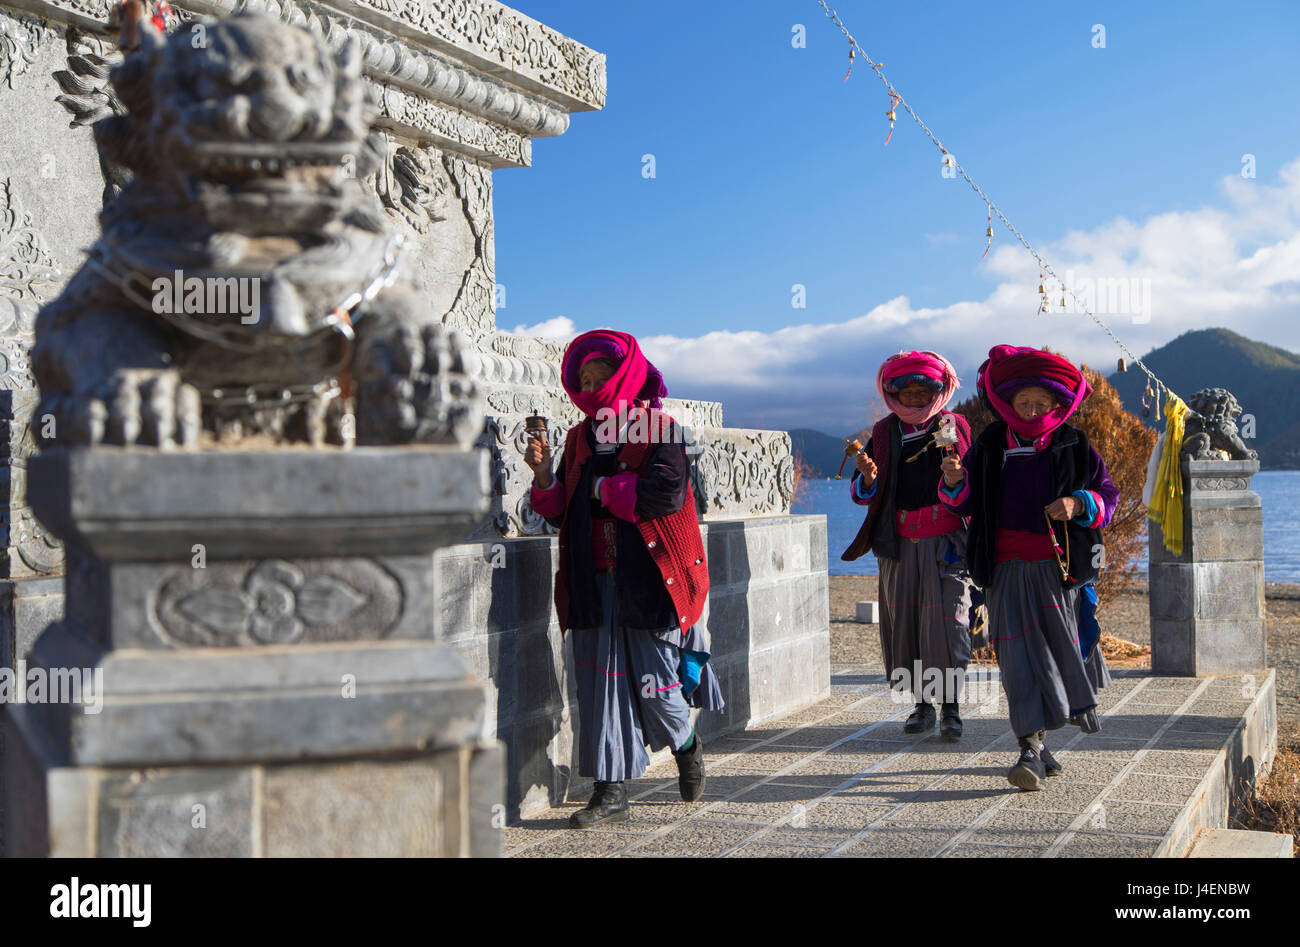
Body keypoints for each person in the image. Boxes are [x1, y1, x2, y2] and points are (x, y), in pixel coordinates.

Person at [524, 329, 724, 828]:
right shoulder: (578, 439)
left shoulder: (661, 429)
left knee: (658, 688)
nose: (592, 386)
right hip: (593, 582)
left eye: (601, 375)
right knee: (598, 688)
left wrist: (601, 489)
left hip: (651, 580)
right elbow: (560, 515)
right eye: (583, 379)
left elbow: (667, 493)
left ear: (627, 374)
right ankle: (609, 791)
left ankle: (687, 743)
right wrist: (547, 477)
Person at [937, 344, 1118, 791]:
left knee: (1055, 655)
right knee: (1017, 658)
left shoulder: (1075, 444)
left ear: (1058, 405)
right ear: (1009, 404)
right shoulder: (991, 445)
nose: (1032, 410)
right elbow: (962, 504)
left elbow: (1109, 498)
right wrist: (955, 481)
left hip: (1058, 572)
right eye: (1024, 403)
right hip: (1003, 570)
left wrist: (1079, 502)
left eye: (1041, 403)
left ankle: (1040, 744)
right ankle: (1029, 748)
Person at [842, 351, 975, 739]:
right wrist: (868, 478)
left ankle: (951, 707)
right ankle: (923, 704)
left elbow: (971, 488)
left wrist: (954, 478)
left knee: (949, 622)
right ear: (894, 393)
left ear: (940, 390)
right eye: (909, 392)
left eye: (923, 391)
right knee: (908, 624)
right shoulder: (884, 433)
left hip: (947, 540)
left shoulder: (953, 424)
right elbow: (864, 490)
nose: (916, 399)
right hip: (898, 542)